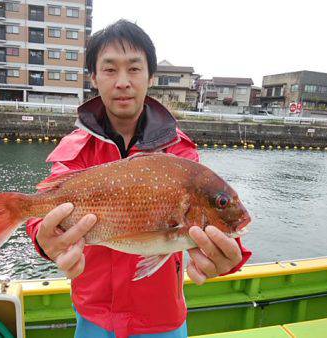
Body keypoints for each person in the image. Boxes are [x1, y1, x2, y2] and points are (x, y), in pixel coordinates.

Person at [26, 20, 251, 338]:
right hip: (93, 316)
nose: (122, 82)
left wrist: (229, 256)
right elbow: (44, 208)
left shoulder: (180, 152)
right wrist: (43, 239)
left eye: (134, 69)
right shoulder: (75, 149)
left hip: (162, 321)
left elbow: (210, 210)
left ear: (150, 77)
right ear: (93, 77)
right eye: (109, 70)